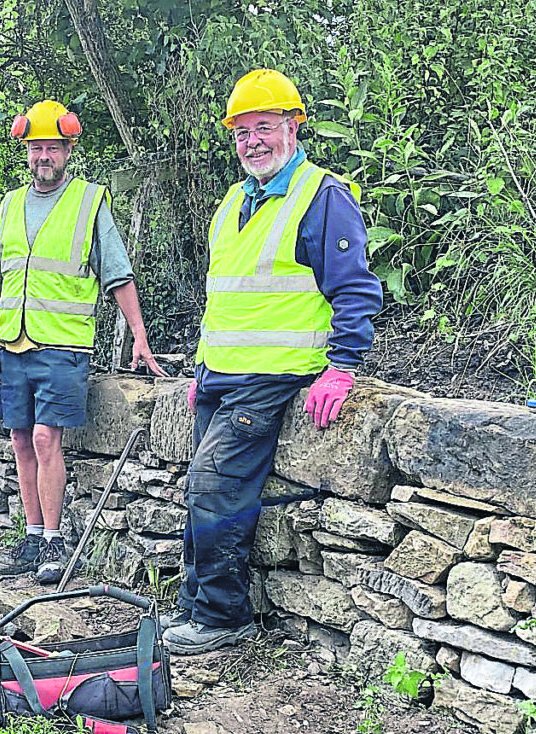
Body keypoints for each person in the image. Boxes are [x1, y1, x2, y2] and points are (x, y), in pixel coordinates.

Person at [162, 70, 384, 654]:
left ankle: (219, 616)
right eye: (242, 131)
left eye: (264, 127)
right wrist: (202, 365)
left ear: (292, 127)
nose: (252, 141)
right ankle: (194, 605)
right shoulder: (235, 199)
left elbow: (355, 289)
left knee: (213, 484)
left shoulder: (321, 196)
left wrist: (341, 367)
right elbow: (224, 295)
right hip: (219, 377)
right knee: (203, 486)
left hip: (271, 377)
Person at [0, 99, 167, 585]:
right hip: (14, 343)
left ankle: (55, 540)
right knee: (20, 439)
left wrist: (140, 336)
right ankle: (31, 535)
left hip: (63, 346)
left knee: (46, 438)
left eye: (53, 148)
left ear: (68, 150)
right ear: (27, 151)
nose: (44, 156)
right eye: (36, 147)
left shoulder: (89, 201)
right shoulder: (10, 204)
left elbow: (118, 274)